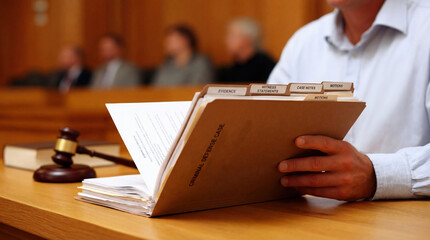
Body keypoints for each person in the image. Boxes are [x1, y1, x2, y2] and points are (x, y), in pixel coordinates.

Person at [268, 0, 430, 201]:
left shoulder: (425, 27)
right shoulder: (302, 43)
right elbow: (265, 135)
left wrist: (376, 175)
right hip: (307, 222)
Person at [218, 18, 275, 83]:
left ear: (247, 40)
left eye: (232, 36)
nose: (226, 40)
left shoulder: (267, 68)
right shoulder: (230, 70)